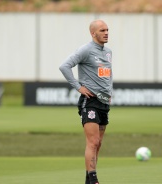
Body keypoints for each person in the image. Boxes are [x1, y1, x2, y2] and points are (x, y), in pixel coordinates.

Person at [59, 19, 112, 184]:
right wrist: (77, 86)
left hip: (103, 102)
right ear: (93, 33)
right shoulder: (86, 50)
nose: (106, 33)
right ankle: (94, 180)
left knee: (99, 143)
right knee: (93, 141)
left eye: (107, 30)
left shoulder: (108, 52)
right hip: (89, 101)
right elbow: (64, 66)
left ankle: (88, 178)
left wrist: (109, 92)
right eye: (102, 30)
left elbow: (107, 75)